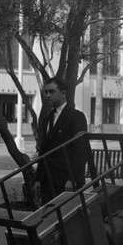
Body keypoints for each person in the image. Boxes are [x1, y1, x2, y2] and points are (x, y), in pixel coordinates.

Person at [33, 76, 88, 205]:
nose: (47, 95)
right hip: (48, 180)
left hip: (66, 181)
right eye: (46, 92)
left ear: (63, 93)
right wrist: (38, 179)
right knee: (49, 218)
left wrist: (72, 178)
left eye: (51, 92)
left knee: (67, 220)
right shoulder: (47, 118)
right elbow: (44, 150)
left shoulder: (76, 117)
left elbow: (80, 151)